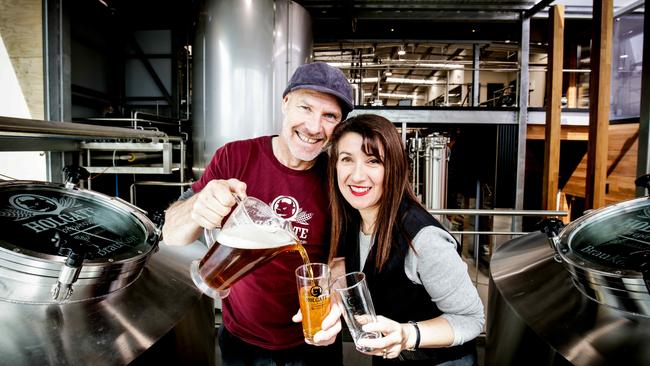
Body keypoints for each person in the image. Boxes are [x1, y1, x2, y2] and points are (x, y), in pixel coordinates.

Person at [162, 62, 353, 365]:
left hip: (314, 342)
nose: (315, 127)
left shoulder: (338, 178)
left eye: (329, 116)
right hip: (242, 342)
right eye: (306, 108)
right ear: (285, 103)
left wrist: (334, 301)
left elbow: (341, 260)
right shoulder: (235, 157)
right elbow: (171, 234)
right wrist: (197, 209)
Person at [326, 114, 485, 365]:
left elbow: (471, 318)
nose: (357, 176)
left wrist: (407, 334)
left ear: (395, 168)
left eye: (373, 161)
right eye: (346, 159)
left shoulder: (424, 239)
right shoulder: (353, 219)